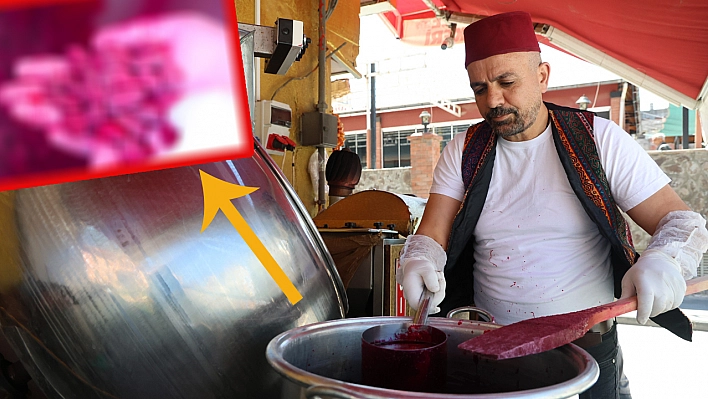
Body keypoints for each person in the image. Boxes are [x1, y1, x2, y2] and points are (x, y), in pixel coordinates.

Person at [395, 11, 708, 399]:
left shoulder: (597, 139)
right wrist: (419, 258)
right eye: (479, 88)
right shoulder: (464, 151)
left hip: (587, 341)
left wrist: (665, 260)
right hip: (494, 342)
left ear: (542, 76)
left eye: (507, 82)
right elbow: (433, 233)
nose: (493, 100)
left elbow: (679, 220)